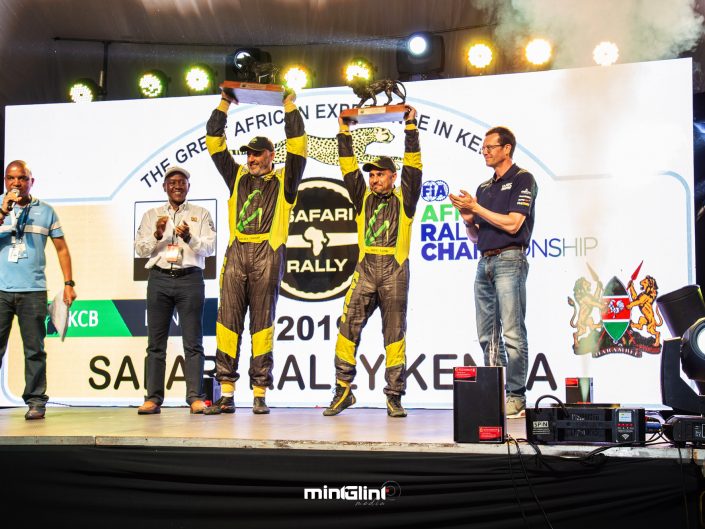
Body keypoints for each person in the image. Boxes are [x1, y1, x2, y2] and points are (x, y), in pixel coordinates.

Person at [203, 88, 306, 415]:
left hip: (267, 256)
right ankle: (227, 393)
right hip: (236, 258)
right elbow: (214, 141)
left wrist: (289, 106)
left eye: (257, 154)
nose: (251, 159)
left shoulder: (284, 181)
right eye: (248, 154)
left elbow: (299, 146)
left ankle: (260, 392)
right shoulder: (236, 176)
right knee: (227, 324)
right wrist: (224, 102)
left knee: (262, 325)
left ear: (271, 155)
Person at [323, 106, 422, 418]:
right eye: (372, 174)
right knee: (346, 328)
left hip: (395, 272)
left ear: (393, 177)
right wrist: (343, 130)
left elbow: (414, 165)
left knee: (394, 335)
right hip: (365, 271)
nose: (374, 179)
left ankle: (394, 396)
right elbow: (347, 166)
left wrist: (410, 128)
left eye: (380, 174)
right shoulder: (361, 196)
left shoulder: (406, 197)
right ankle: (342, 390)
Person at [449, 126, 538, 418]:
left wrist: (478, 208)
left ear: (506, 148)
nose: (484, 152)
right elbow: (476, 238)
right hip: (484, 262)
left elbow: (514, 224)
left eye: (489, 147)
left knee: (512, 331)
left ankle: (516, 396)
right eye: (483, 148)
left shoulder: (522, 179)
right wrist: (467, 218)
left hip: (510, 259)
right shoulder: (484, 188)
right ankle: (495, 394)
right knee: (487, 334)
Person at [134, 166, 216, 415]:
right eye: (172, 183)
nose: (178, 186)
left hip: (190, 279)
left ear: (188, 187)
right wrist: (158, 234)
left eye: (182, 182)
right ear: (165, 187)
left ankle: (195, 398)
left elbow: (209, 248)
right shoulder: (152, 215)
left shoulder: (200, 214)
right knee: (155, 344)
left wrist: (190, 237)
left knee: (193, 343)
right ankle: (153, 398)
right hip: (159, 279)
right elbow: (140, 249)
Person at [0, 160, 76, 420]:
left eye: (22, 178)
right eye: (11, 179)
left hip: (33, 291)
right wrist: (2, 212)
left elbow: (61, 248)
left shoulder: (45, 211)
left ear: (31, 182)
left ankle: (35, 401)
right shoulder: (0, 206)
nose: (16, 183)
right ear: (5, 181)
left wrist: (68, 283)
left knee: (35, 349)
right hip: (1, 291)